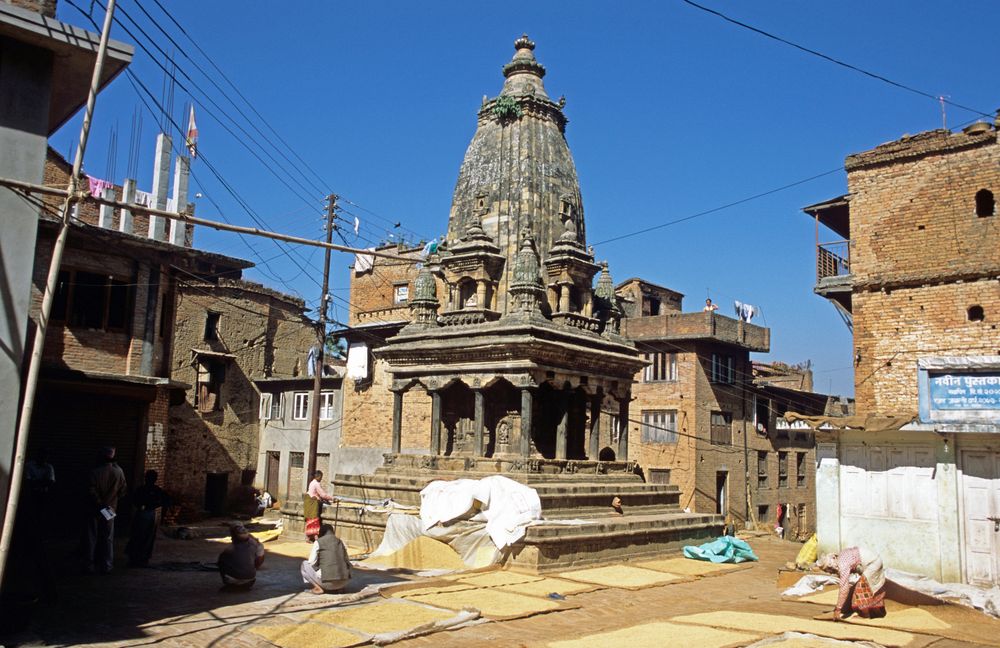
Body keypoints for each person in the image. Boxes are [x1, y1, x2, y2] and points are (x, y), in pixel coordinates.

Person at [84, 446, 127, 573]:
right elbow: (123, 491)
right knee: (107, 537)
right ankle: (107, 565)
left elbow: (90, 491)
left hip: (95, 508)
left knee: (91, 536)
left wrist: (99, 503)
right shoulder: (119, 472)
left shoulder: (95, 471)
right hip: (110, 508)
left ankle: (89, 565)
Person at [817, 547, 886, 620]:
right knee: (852, 589)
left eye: (829, 570)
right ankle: (845, 609)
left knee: (861, 590)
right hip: (872, 561)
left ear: (831, 565)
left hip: (873, 563)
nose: (830, 573)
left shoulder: (842, 564)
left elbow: (844, 587)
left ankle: (865, 614)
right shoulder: (840, 559)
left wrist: (838, 608)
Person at [125, 470, 170, 567]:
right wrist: (156, 506)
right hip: (151, 514)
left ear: (146, 478)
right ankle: (143, 558)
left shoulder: (141, 489)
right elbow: (166, 500)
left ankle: (134, 558)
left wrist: (142, 505)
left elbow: (134, 500)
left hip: (142, 513)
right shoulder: (156, 490)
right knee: (148, 537)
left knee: (137, 535)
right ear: (155, 479)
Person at [300, 523, 351, 594]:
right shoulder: (340, 542)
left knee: (304, 564)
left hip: (327, 583)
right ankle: (340, 588)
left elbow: (311, 562)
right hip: (343, 582)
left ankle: (318, 588)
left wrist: (318, 568)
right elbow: (347, 562)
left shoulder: (319, 542)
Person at [217, 523, 265, 589]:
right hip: (250, 581)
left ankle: (230, 583)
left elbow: (220, 562)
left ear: (233, 536)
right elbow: (259, 558)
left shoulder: (229, 550)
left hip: (232, 582)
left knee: (221, 561)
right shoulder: (256, 544)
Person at [304, 470, 337, 541]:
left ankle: (308, 537)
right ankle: (316, 538)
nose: (321, 479)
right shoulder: (316, 484)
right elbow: (322, 494)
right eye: (321, 477)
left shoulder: (312, 482)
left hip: (308, 502)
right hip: (312, 502)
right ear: (318, 476)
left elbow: (318, 494)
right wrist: (332, 498)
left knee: (310, 519)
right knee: (314, 519)